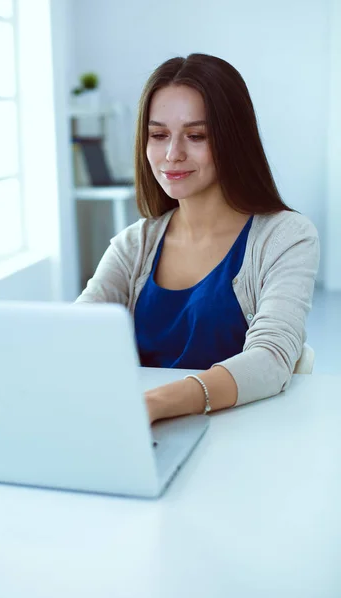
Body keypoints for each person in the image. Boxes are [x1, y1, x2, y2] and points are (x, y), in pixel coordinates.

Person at [75, 53, 320, 424]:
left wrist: (158, 403)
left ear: (233, 140)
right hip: (145, 430)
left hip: (245, 435)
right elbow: (75, 334)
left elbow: (272, 356)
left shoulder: (287, 237)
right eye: (158, 135)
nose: (172, 155)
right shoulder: (133, 245)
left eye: (196, 136)